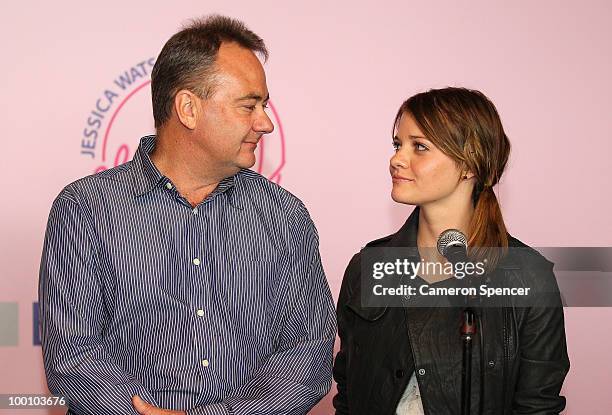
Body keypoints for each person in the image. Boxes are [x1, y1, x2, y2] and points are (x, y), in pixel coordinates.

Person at [39, 15, 336, 415]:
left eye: (264, 106)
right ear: (188, 109)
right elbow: (72, 355)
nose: (265, 123)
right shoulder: (86, 210)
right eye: (249, 105)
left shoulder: (285, 217)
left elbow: (307, 352)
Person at [332, 87, 570, 414]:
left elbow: (537, 406)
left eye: (420, 147)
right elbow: (347, 392)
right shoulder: (366, 268)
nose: (397, 159)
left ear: (469, 164)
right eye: (398, 145)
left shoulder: (529, 277)